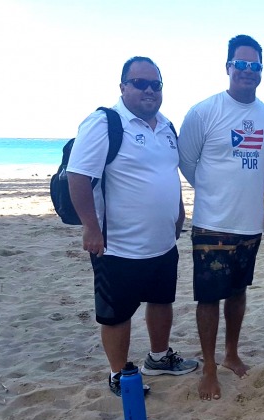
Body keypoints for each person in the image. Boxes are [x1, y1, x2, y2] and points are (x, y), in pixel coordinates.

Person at [67, 56, 198, 397]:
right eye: (140, 83)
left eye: (156, 84)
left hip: (162, 243)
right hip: (118, 246)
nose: (149, 90)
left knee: (161, 301)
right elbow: (78, 177)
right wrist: (90, 228)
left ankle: (157, 358)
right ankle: (117, 374)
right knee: (116, 314)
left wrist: (179, 210)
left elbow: (169, 173)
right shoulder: (105, 122)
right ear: (123, 87)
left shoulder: (167, 126)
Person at [179, 35, 264, 400]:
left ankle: (231, 354)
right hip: (211, 223)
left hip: (250, 224)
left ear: (261, 72)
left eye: (255, 66)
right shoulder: (204, 111)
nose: (248, 71)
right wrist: (213, 190)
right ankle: (207, 366)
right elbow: (186, 161)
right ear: (228, 67)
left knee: (237, 294)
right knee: (209, 299)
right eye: (241, 64)